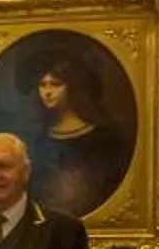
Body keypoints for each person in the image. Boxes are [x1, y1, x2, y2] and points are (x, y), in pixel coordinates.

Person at [20, 53, 132, 218]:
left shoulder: (105, 138)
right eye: (42, 85)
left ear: (73, 87)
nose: (47, 92)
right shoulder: (35, 138)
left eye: (56, 84)